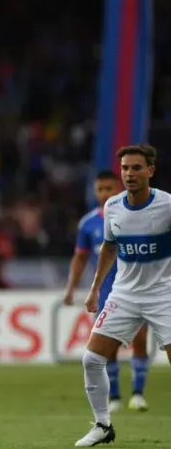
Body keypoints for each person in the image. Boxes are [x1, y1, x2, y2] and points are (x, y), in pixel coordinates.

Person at [77, 144, 170, 447]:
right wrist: (94, 289)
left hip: (163, 294)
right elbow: (109, 248)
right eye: (126, 168)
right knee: (91, 359)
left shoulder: (167, 206)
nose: (130, 173)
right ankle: (103, 425)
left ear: (150, 171)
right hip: (125, 294)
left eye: (136, 168)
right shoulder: (113, 208)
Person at [64, 170, 149, 412]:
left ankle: (138, 393)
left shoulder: (136, 218)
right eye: (100, 189)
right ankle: (115, 398)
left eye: (109, 189)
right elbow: (80, 258)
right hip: (106, 293)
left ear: (119, 189)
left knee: (140, 340)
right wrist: (71, 287)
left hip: (136, 289)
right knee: (106, 347)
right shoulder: (88, 224)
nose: (104, 194)